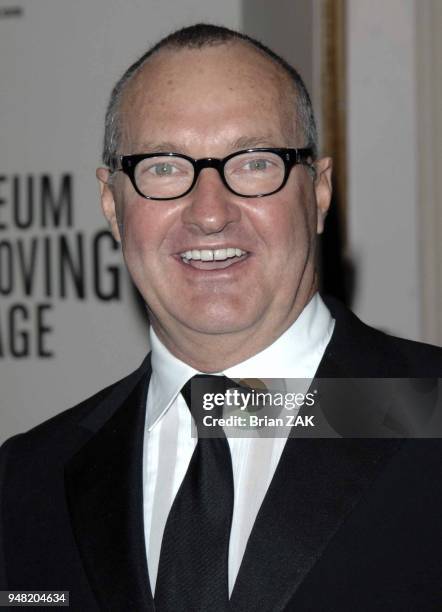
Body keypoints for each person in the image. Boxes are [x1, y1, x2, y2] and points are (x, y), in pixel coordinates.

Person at [1, 23, 441, 612]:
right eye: (163, 167)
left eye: (255, 163)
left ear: (320, 193)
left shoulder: (429, 414)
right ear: (112, 203)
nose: (209, 214)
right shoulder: (27, 480)